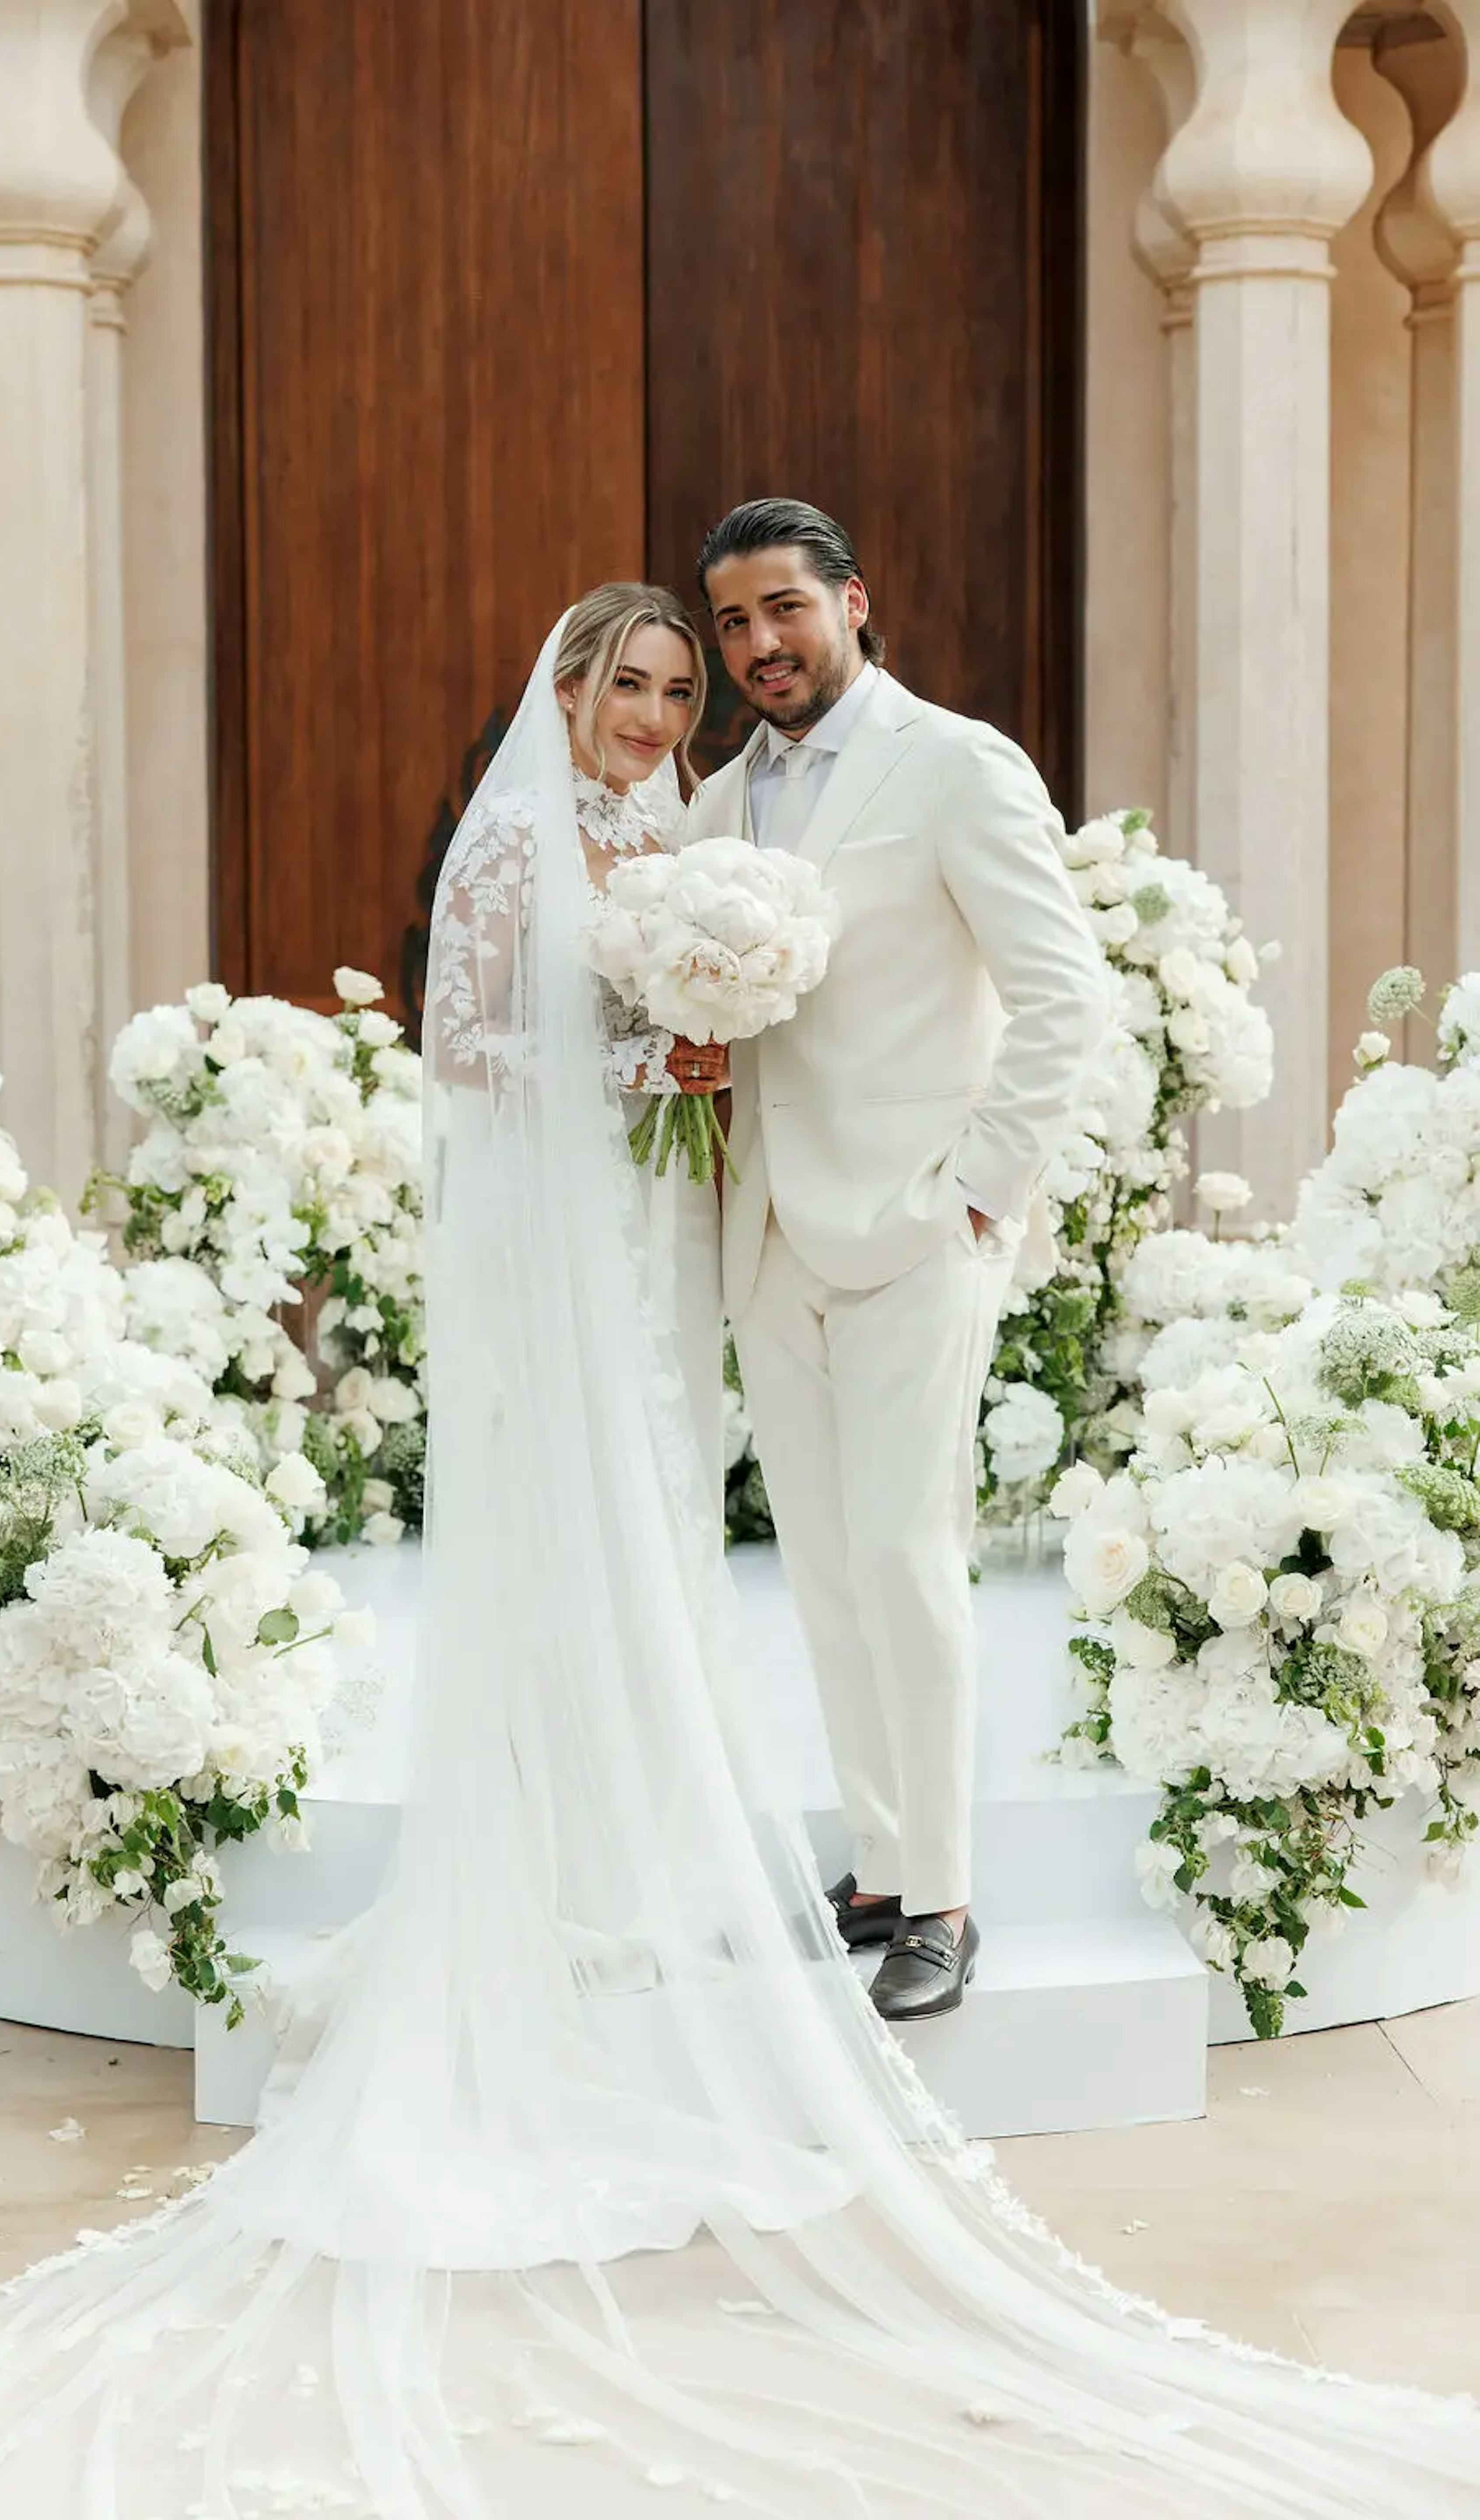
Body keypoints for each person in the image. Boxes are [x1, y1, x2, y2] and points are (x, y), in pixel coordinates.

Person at [0, 587, 1474, 2519]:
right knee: (598, 1534)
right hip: (587, 1257)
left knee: (702, 1537)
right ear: (570, 692)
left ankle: (764, 1854)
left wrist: (750, 1076)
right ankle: (581, 1853)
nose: (663, 704)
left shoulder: (705, 833)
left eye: (687, 680)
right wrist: (646, 1072)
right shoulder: (525, 836)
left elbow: (851, 1014)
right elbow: (474, 1061)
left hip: (710, 1247)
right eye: (640, 680)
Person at [689, 496, 1108, 2021]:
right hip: (772, 1229)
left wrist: (979, 1193)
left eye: (783, 611)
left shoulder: (954, 765)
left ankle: (942, 1898)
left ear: (855, 601)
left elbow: (1065, 998)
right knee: (820, 1565)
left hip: (919, 1226)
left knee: (907, 1556)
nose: (758, 647)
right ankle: (876, 1859)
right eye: (733, 623)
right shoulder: (719, 804)